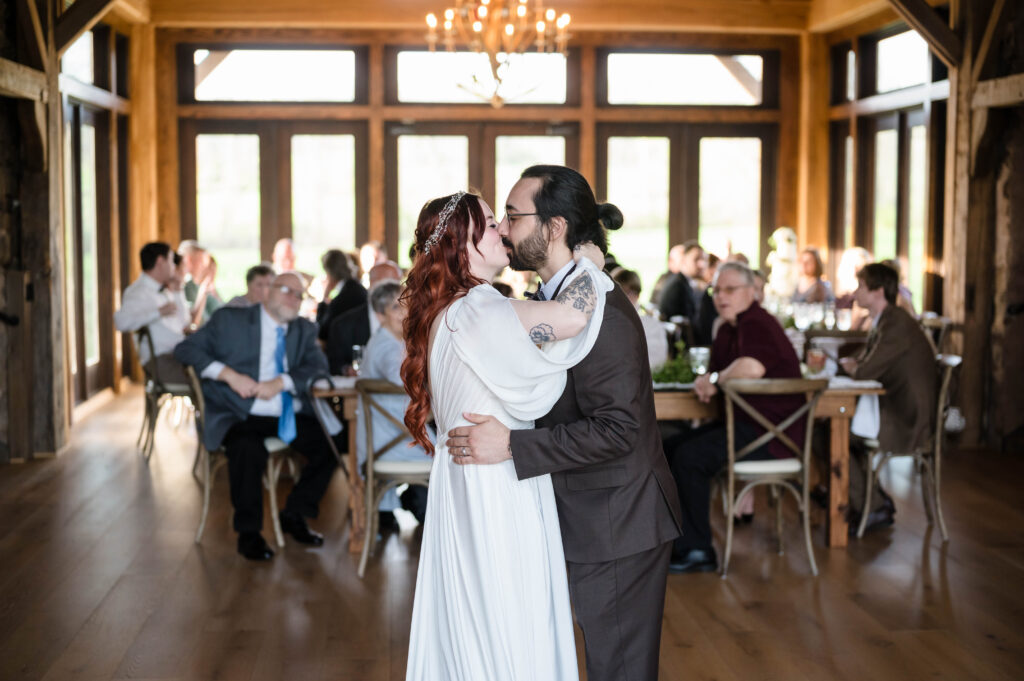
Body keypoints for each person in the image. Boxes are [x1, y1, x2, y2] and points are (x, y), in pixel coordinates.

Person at [444, 165, 683, 681]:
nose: (504, 229)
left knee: (620, 670)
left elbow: (618, 430)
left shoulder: (605, 313)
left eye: (513, 216)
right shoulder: (557, 301)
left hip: (616, 519)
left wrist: (512, 444)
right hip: (580, 513)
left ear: (554, 227)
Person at [400, 188, 609, 680]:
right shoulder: (475, 309)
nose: (502, 231)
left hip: (474, 474)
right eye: (491, 223)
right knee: (507, 607)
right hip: (493, 480)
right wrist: (591, 264)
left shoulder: (456, 309)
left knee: (483, 607)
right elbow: (571, 318)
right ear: (461, 242)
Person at [174, 272, 338, 561]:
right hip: (237, 411)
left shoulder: (303, 329)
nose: (294, 299)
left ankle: (294, 513)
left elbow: (318, 368)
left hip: (283, 412)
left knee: (330, 444)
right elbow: (185, 349)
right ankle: (248, 533)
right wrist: (229, 375)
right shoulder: (230, 320)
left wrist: (282, 382)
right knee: (247, 450)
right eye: (287, 290)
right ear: (268, 291)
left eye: (299, 295)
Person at [662, 262, 805, 574]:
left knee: (689, 457)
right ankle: (681, 541)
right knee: (670, 447)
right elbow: (720, 373)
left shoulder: (757, 322)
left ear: (752, 292)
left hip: (772, 436)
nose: (721, 297)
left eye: (730, 289)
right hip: (745, 427)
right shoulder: (728, 328)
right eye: (716, 290)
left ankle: (699, 550)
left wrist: (714, 379)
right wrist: (708, 381)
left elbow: (751, 367)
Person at [839, 263, 937, 534]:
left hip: (907, 417)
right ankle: (869, 501)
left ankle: (871, 506)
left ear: (878, 291)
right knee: (836, 428)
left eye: (861, 286)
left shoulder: (896, 324)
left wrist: (852, 366)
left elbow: (864, 370)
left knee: (837, 433)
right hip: (894, 406)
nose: (855, 292)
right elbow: (864, 363)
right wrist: (853, 366)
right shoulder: (885, 320)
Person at [356, 281, 431, 531]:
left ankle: (417, 502)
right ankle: (434, 519)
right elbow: (400, 376)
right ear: (380, 315)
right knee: (456, 452)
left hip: (390, 438)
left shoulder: (389, 341)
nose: (406, 312)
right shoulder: (387, 347)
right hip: (390, 442)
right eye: (396, 308)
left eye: (407, 304)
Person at [114, 242, 189, 383]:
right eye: (171, 261)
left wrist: (178, 291)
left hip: (179, 353)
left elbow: (184, 323)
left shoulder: (164, 290)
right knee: (211, 378)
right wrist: (158, 312)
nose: (174, 267)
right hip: (161, 360)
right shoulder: (137, 292)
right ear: (160, 262)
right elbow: (121, 322)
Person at [325, 261, 402, 375]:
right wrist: (347, 370)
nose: (392, 293)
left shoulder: (410, 322)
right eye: (387, 286)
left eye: (396, 285)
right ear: (371, 284)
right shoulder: (343, 325)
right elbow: (332, 364)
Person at [611, 267, 669, 369]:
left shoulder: (652, 326)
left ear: (637, 295)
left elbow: (656, 362)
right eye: (617, 293)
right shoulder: (604, 322)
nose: (622, 298)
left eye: (627, 293)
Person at [316, 249, 367, 341]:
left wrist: (324, 298)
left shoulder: (342, 299)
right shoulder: (358, 288)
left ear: (329, 273)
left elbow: (322, 332)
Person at [658, 239, 706, 323]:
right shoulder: (678, 286)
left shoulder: (681, 281)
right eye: (696, 259)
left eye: (703, 259)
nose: (701, 265)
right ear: (684, 260)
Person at [649, 243, 687, 307]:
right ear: (670, 262)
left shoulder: (686, 279)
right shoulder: (666, 280)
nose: (685, 264)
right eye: (682, 261)